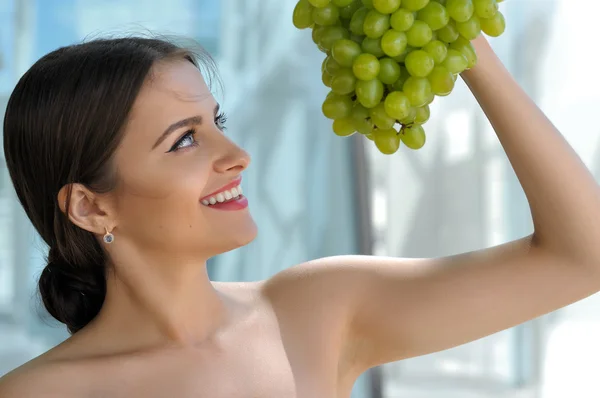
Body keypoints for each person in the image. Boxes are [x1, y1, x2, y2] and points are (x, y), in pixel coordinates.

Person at [0, 32, 600, 397]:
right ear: (90, 205)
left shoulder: (317, 310)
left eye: (218, 123)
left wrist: (470, 53)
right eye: (185, 140)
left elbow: (583, 257)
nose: (237, 157)